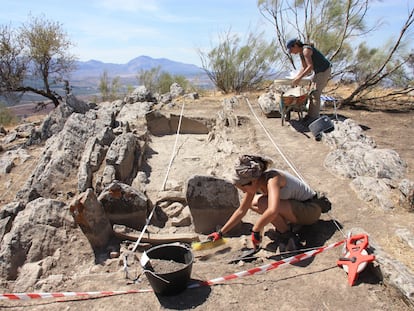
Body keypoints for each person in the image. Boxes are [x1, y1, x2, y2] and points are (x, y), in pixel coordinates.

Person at [208, 154, 325, 251]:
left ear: (253, 182)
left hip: (311, 209)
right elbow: (241, 210)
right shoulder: (257, 183)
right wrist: (220, 233)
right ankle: (287, 229)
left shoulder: (273, 180)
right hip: (297, 207)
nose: (242, 191)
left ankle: (288, 236)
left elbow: (273, 210)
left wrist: (256, 229)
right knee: (254, 202)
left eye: (242, 188)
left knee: (264, 203)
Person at [286, 38, 331, 123]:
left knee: (315, 94)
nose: (291, 52)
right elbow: (304, 67)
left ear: (295, 46)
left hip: (324, 70)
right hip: (318, 71)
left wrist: (299, 78)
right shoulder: (301, 53)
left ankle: (314, 118)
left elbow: (309, 67)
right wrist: (297, 77)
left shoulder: (306, 50)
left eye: (291, 49)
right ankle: (310, 115)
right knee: (311, 92)